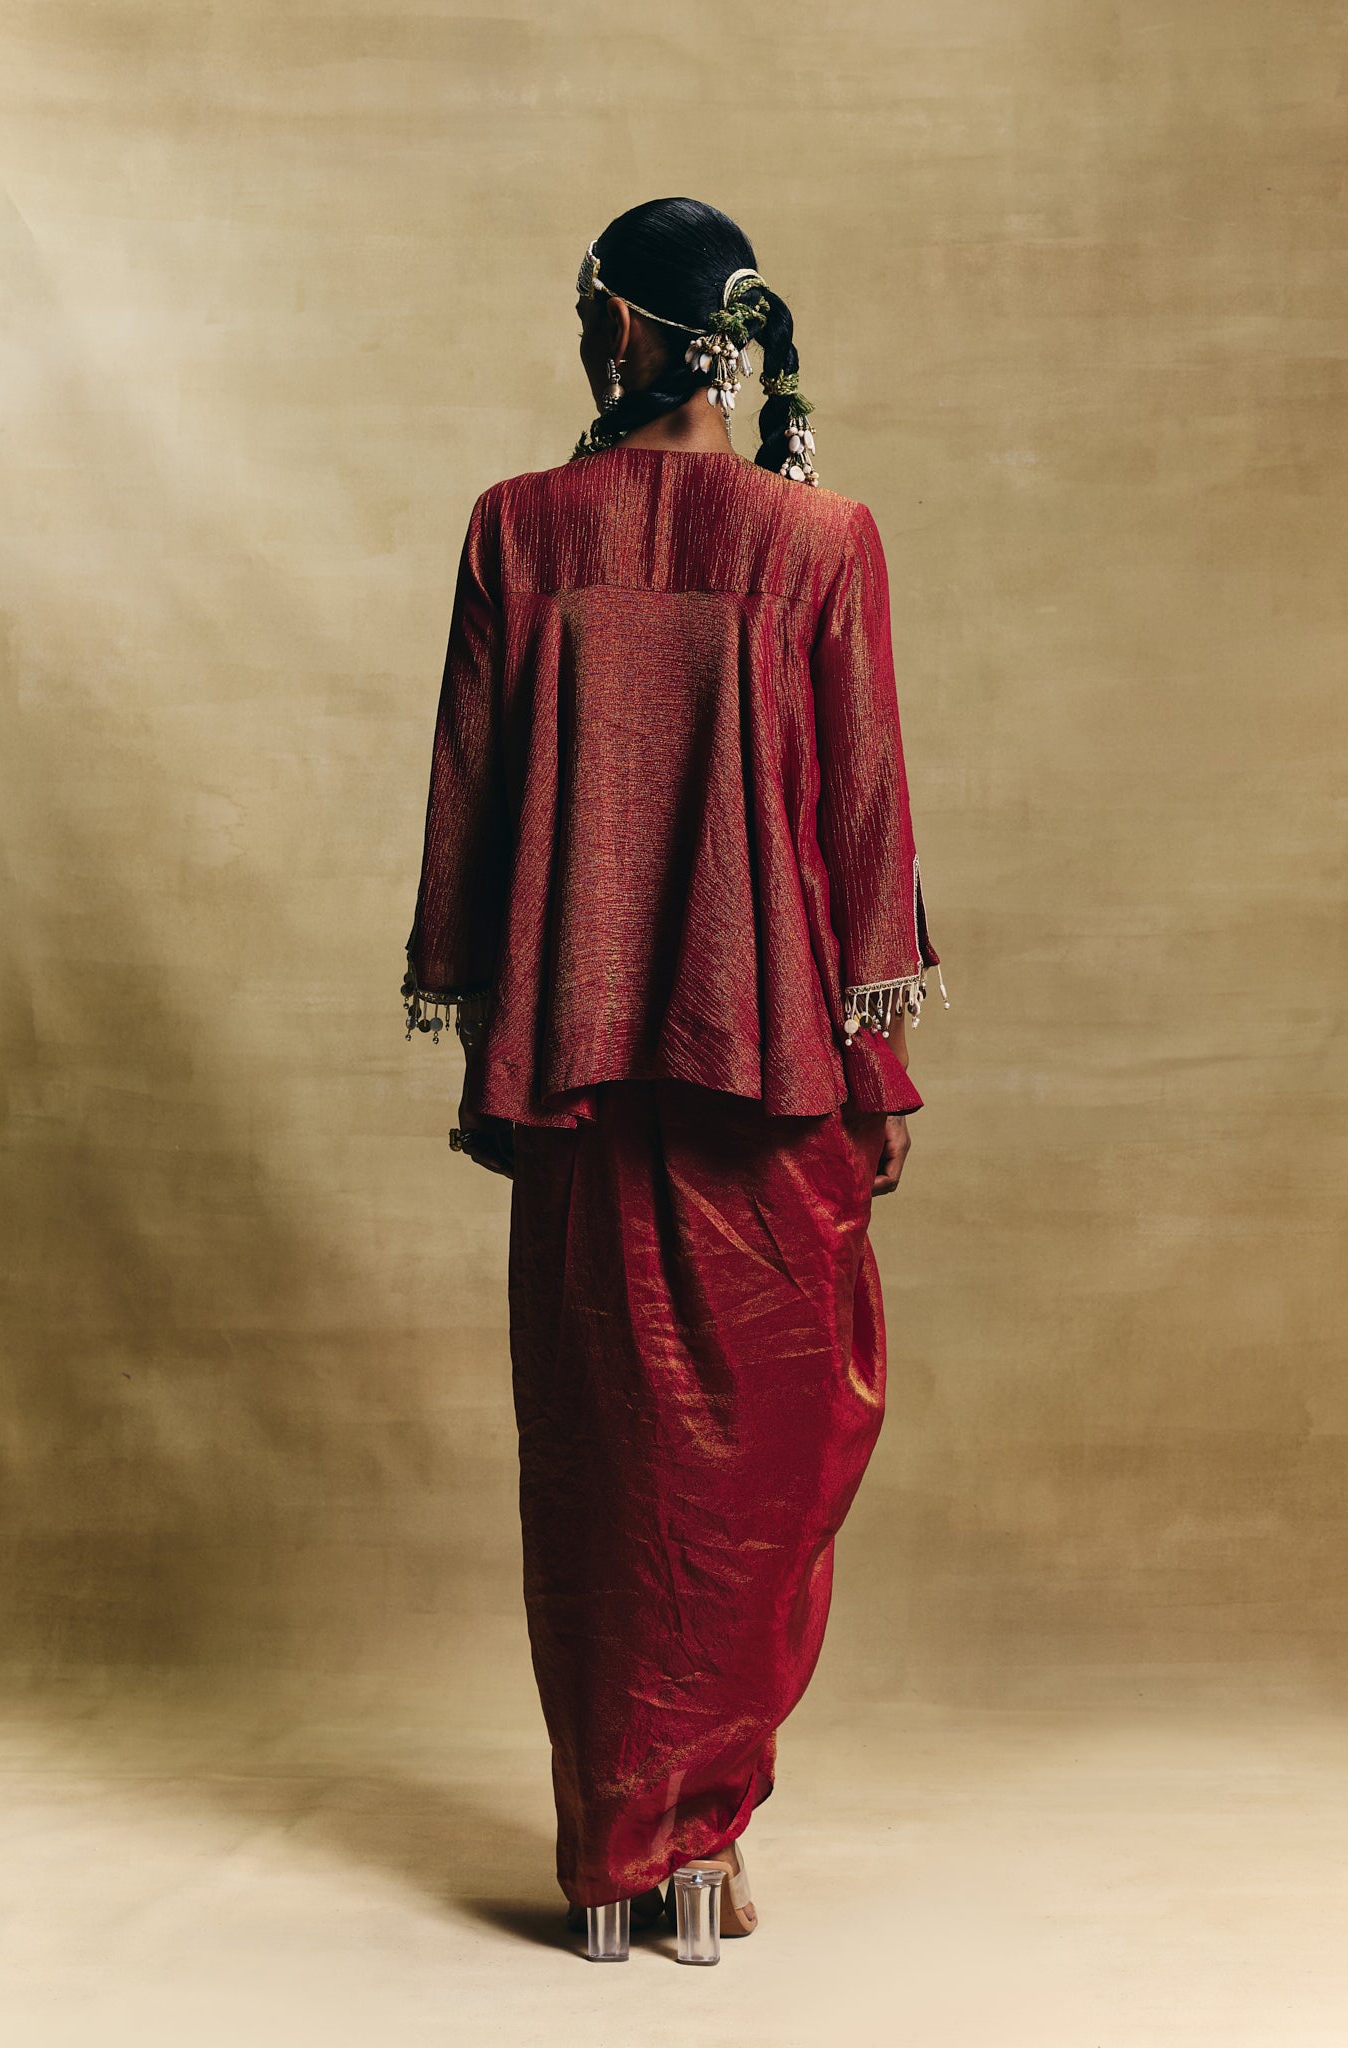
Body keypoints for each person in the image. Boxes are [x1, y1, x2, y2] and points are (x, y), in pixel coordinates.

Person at [403, 197, 945, 1961]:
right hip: (764, 1066)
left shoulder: (517, 531)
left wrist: (490, 1014)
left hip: (579, 1061)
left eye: (591, 317)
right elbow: (863, 819)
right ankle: (693, 1846)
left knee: (596, 1463)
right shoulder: (820, 539)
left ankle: (615, 1856)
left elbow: (471, 803)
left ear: (628, 335)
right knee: (750, 1471)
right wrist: (875, 1068)